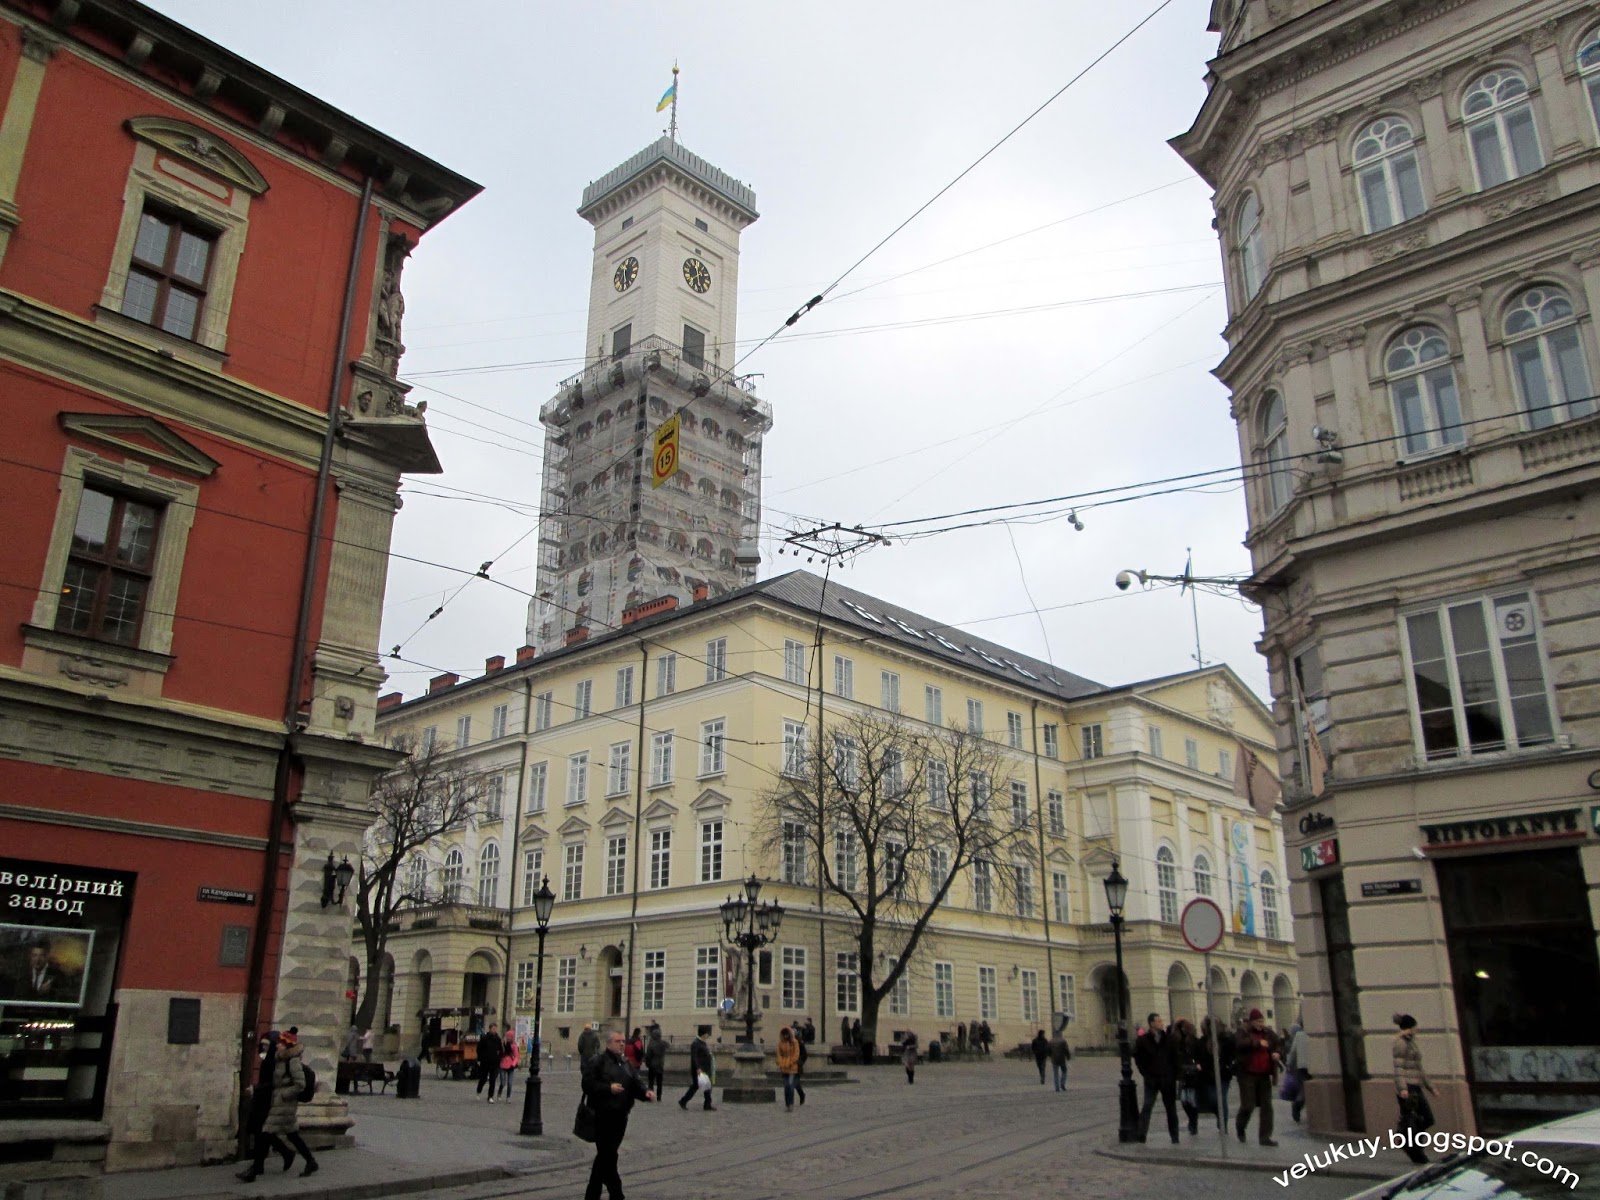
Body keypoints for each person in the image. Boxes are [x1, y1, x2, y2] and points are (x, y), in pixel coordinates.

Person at [582, 1029, 654, 1200]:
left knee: (606, 1157)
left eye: (623, 1041)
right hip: (602, 1116)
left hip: (620, 1118)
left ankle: (594, 1195)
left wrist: (646, 1093)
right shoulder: (598, 1061)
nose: (622, 1044)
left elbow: (635, 1084)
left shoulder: (625, 1063)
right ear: (608, 1043)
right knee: (608, 1155)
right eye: (618, 1041)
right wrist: (608, 1088)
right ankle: (616, 1194)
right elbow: (587, 1084)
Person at [236, 1031, 318, 1181]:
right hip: (279, 1104)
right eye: (277, 1042)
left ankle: (254, 1171)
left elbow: (300, 1084)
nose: (277, 1045)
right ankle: (310, 1161)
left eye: (280, 1043)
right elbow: (275, 1082)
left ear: (285, 1045)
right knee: (292, 1135)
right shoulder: (280, 1059)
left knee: (266, 1132)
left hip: (284, 1104)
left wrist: (283, 1094)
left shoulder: (291, 1061)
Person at [1234, 1008, 1283, 1146]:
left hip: (1264, 1074)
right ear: (1251, 1022)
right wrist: (1256, 1043)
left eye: (1262, 1021)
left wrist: (1277, 1053)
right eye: (1258, 1021)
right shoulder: (1243, 1031)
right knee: (1248, 1105)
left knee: (1267, 1106)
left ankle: (1265, 1137)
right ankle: (1240, 1126)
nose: (1260, 1024)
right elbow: (1239, 1044)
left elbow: (1278, 1044)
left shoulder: (1268, 1033)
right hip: (1247, 1074)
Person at [1393, 1013, 1435, 1165]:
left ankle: (1409, 1143)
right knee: (1413, 1120)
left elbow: (1419, 1068)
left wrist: (1430, 1087)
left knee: (1426, 1119)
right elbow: (1398, 1068)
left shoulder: (1411, 1042)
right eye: (1415, 1026)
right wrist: (1402, 1088)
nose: (1417, 1029)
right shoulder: (1401, 1043)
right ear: (1410, 1027)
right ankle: (1415, 1151)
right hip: (1408, 1088)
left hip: (1416, 1086)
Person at [1134, 1013, 1181, 1145]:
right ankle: (1141, 1134)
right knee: (1147, 1106)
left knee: (1171, 1109)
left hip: (1168, 1079)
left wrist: (1175, 1075)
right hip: (1152, 1079)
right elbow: (1138, 1058)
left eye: (1161, 1021)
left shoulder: (1169, 1039)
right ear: (1151, 1024)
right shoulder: (1143, 1040)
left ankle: (1175, 1136)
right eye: (1158, 1021)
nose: (1161, 1023)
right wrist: (1145, 1073)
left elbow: (1175, 1058)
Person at [1181, 1019, 1218, 1135]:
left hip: (1194, 1076)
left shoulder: (1195, 1042)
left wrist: (1197, 1065)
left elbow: (1199, 1057)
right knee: (1186, 1101)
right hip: (1185, 1075)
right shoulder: (1177, 1043)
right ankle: (1193, 1122)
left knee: (1191, 1100)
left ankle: (1193, 1122)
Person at [678, 1032, 716, 1111]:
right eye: (708, 1033)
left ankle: (707, 1104)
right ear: (704, 1033)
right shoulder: (696, 1043)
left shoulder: (702, 1043)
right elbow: (694, 1057)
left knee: (706, 1086)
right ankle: (683, 1101)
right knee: (696, 1086)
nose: (709, 1035)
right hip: (699, 1069)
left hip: (704, 1068)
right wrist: (698, 1068)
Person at [1284, 1019, 1309, 1124]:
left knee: (1304, 1089)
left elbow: (1292, 1052)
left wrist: (1288, 1064)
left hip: (1301, 1066)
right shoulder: (1302, 1035)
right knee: (1305, 1090)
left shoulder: (1298, 1035)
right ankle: (1297, 1106)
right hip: (1307, 1066)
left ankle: (1297, 1106)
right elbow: (1293, 1051)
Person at [776, 1026, 803, 1109]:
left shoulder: (795, 1042)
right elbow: (779, 1055)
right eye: (784, 1035)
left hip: (792, 1068)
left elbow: (796, 1054)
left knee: (791, 1085)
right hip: (784, 1068)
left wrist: (790, 1062)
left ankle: (791, 1104)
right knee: (786, 1086)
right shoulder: (781, 1043)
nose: (785, 1036)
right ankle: (787, 1103)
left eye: (787, 1034)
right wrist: (781, 1063)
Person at [476, 1024, 504, 1103]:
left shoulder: (498, 1039)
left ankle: (490, 1096)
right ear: (489, 1029)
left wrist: (499, 1058)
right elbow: (479, 1049)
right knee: (483, 1079)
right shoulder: (484, 1038)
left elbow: (501, 1050)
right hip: (485, 1062)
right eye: (493, 1029)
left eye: (495, 1029)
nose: (494, 1031)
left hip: (495, 1063)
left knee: (493, 1080)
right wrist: (481, 1059)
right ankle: (479, 1090)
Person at [644, 1027, 666, 1100]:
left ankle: (650, 1096)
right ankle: (659, 1096)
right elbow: (668, 1046)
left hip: (652, 1065)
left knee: (651, 1082)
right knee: (659, 1082)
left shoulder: (651, 1044)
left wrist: (647, 1063)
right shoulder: (663, 1043)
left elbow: (648, 1055)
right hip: (660, 1065)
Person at [1048, 1028, 1071, 1092]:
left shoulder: (1050, 1041)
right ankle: (1062, 1084)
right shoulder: (1063, 1041)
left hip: (1054, 1059)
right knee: (1064, 1071)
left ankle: (1057, 1087)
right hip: (1062, 1059)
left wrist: (1051, 1056)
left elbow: (1048, 1051)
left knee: (1055, 1074)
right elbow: (1066, 1050)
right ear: (1060, 1034)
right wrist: (1068, 1057)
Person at [498, 1035, 519, 1099]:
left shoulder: (514, 1046)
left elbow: (516, 1056)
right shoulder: (502, 1045)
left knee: (510, 1083)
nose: (508, 1038)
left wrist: (513, 1064)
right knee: (503, 1083)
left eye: (510, 1037)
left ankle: (508, 1096)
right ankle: (499, 1093)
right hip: (503, 1065)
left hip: (510, 1066)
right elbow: (499, 1053)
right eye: (507, 1037)